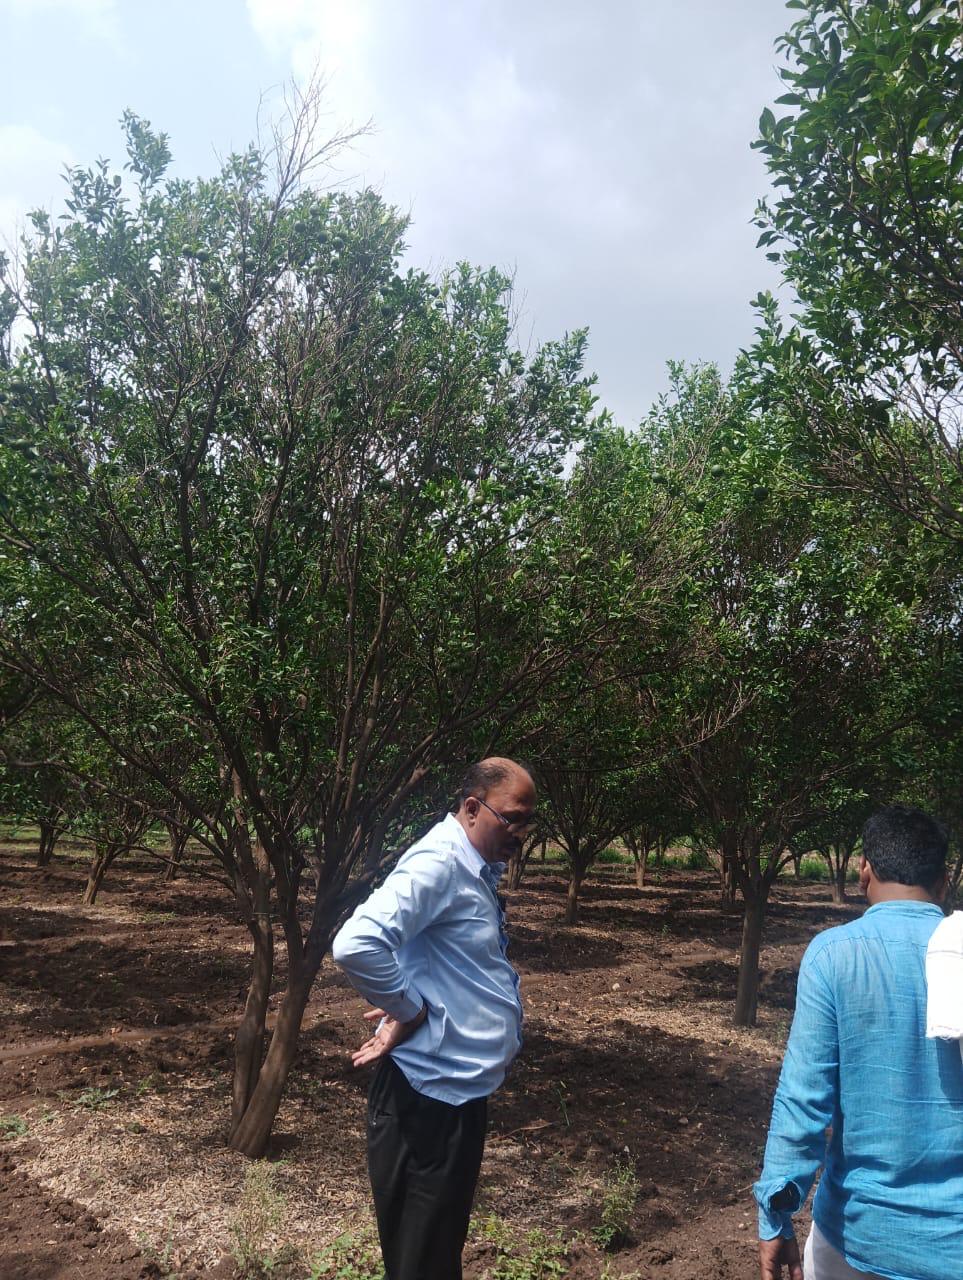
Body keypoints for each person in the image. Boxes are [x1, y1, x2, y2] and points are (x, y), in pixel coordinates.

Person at [332, 756, 536, 1280]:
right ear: (472, 808)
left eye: (527, 822)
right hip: (426, 1105)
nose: (520, 834)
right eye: (511, 819)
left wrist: (414, 993)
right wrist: (410, 1007)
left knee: (433, 1261)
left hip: (454, 1096)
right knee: (421, 1266)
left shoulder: (470, 865)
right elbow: (356, 944)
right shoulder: (441, 863)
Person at [755, 805, 963, 1280]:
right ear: (944, 880)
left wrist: (776, 1214)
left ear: (864, 869)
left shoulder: (834, 955)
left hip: (857, 1238)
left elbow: (802, 1103)